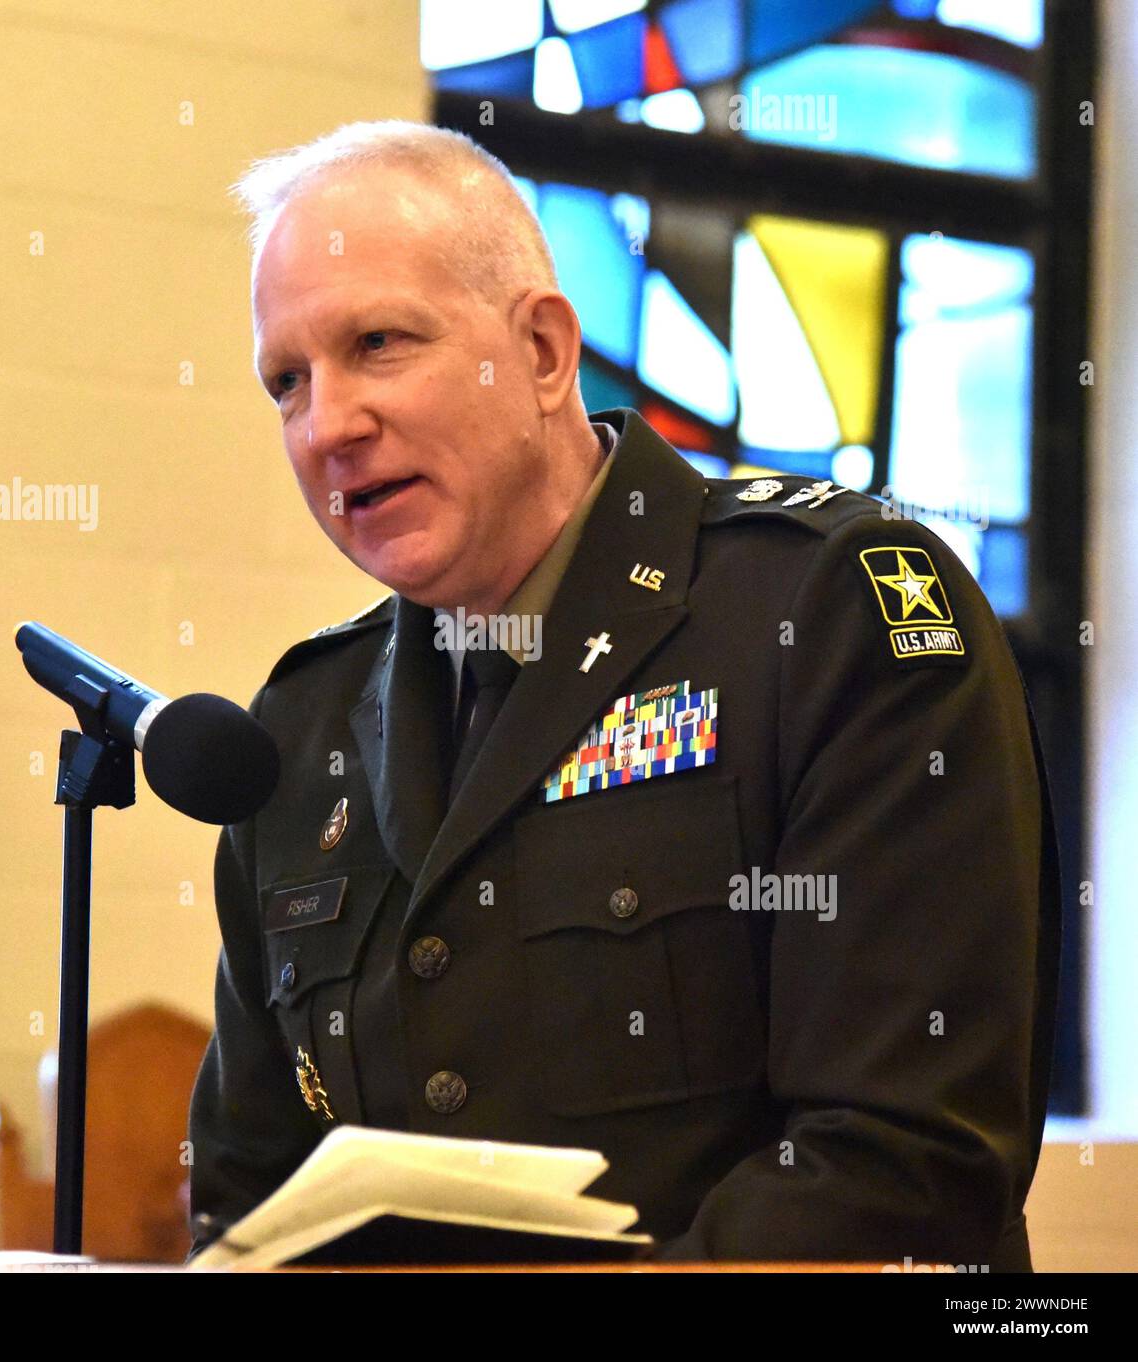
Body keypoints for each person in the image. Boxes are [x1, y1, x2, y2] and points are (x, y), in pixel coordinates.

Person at [185, 120, 1060, 1269]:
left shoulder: (828, 612)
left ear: (543, 351)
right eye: (286, 382)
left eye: (380, 344)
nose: (328, 424)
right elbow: (250, 1198)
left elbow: (903, 1163)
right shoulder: (301, 727)